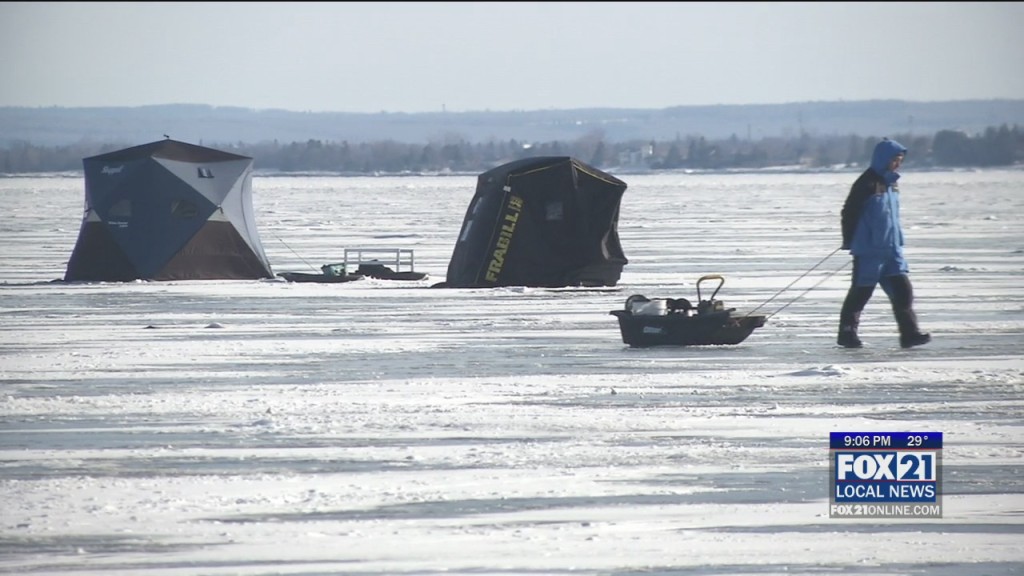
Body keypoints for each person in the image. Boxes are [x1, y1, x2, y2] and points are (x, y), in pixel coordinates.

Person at [837, 138, 931, 349]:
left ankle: (910, 335)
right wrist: (849, 240)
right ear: (883, 159)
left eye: (900, 160)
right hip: (870, 250)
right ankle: (847, 334)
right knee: (861, 293)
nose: (898, 164)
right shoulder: (867, 183)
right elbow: (849, 212)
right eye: (895, 159)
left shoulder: (892, 184)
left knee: (903, 293)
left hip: (892, 250)